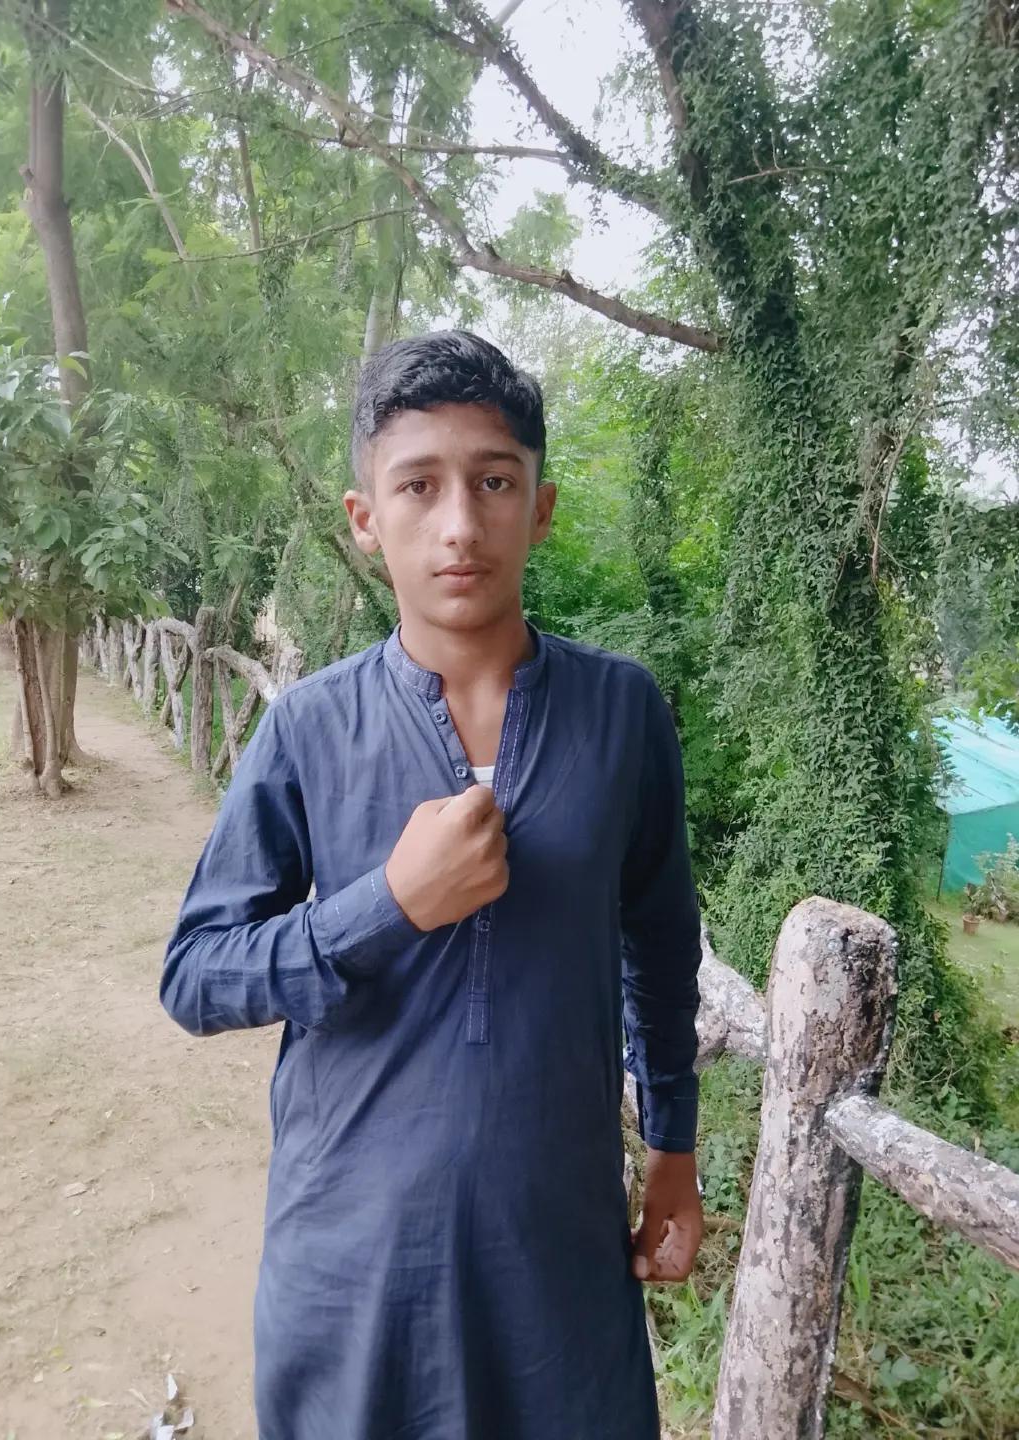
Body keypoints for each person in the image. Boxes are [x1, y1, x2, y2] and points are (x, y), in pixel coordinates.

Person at [160, 330, 704, 1440]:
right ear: (367, 520)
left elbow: (658, 940)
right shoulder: (308, 729)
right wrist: (385, 906)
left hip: (557, 1268)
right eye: (419, 486)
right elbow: (195, 976)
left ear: (540, 507)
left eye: (494, 482)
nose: (459, 524)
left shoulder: (620, 715)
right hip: (353, 1267)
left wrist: (674, 1149)